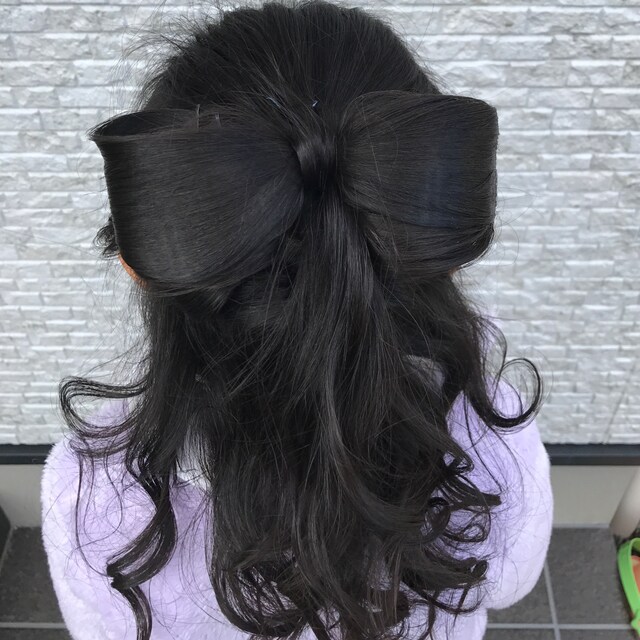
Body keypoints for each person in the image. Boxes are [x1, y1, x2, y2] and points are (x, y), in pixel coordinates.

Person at [41, 1, 553, 639]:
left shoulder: (90, 492)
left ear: (145, 263)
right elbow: (511, 580)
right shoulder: (490, 436)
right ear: (436, 246)